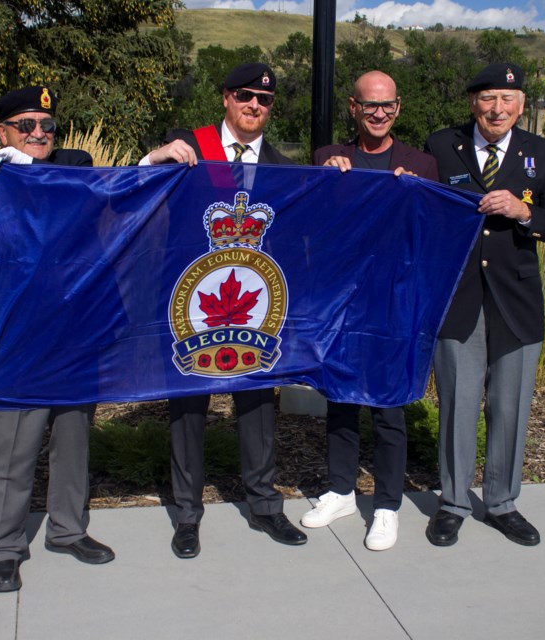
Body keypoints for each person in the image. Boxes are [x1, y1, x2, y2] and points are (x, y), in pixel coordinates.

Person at [0, 86, 114, 593]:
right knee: (13, 448)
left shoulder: (74, 171)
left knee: (73, 440)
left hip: (74, 340)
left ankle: (66, 530)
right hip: (17, 345)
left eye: (46, 124)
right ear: (2, 132)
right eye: (25, 125)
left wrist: (156, 157)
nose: (38, 133)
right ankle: (3, 547)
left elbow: (123, 186)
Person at [140, 62, 307, 559]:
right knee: (188, 404)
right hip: (190, 302)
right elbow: (128, 189)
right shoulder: (186, 147)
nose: (255, 105)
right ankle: (188, 514)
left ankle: (264, 504)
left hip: (256, 304)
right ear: (226, 98)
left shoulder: (282, 165)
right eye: (245, 95)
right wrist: (154, 157)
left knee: (257, 403)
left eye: (265, 99)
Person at [423, 64, 545, 547]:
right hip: (458, 296)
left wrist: (524, 211)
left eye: (508, 99)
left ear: (523, 105)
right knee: (457, 406)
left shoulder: (541, 153)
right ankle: (452, 503)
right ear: (473, 102)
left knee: (509, 408)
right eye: (488, 98)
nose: (498, 109)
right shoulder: (441, 145)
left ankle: (503, 502)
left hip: (517, 299)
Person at [302, 70, 438, 551]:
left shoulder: (421, 163)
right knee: (339, 397)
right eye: (370, 105)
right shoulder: (328, 158)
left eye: (388, 105)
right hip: (344, 298)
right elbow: (315, 225)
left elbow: (434, 235)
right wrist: (327, 184)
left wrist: (420, 195)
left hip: (395, 299)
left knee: (387, 405)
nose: (379, 113)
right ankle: (340, 490)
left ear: (398, 107)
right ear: (353, 108)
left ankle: (386, 505)